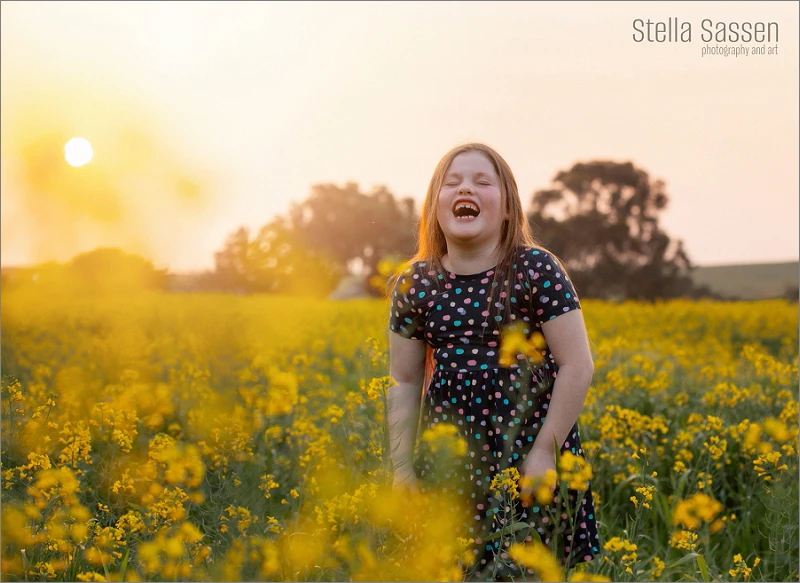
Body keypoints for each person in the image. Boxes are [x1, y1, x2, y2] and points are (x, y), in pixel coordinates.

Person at [387, 142, 599, 580]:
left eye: (482, 181)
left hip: (528, 457)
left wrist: (545, 451)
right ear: (434, 207)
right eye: (452, 182)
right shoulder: (416, 283)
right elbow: (404, 381)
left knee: (532, 568)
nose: (466, 188)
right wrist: (402, 467)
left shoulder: (535, 269)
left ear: (507, 209)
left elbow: (577, 365)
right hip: (447, 465)